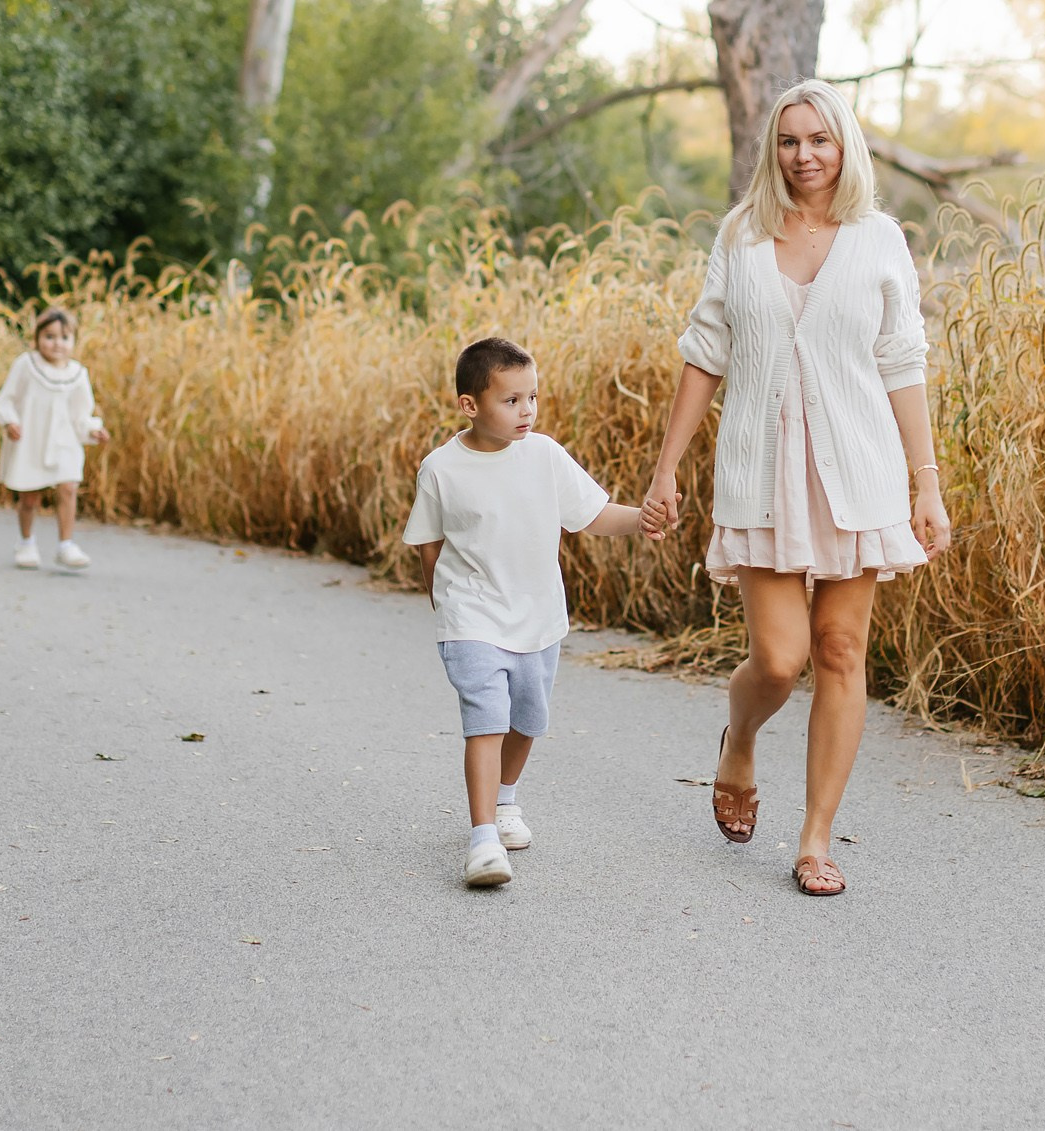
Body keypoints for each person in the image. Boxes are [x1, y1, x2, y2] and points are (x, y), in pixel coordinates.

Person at [640, 80, 952, 897]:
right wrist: (667, 466)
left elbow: (903, 362)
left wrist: (927, 482)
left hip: (860, 470)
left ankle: (814, 839)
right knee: (779, 660)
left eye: (819, 138)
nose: (804, 154)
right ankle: (738, 740)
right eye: (789, 141)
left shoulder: (879, 238)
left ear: (844, 145)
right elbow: (706, 350)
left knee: (842, 652)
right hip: (763, 467)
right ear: (771, 150)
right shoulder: (742, 234)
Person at [403, 336, 645, 889]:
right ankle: (483, 839)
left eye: (532, 397)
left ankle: (506, 800)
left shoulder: (545, 455)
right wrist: (446, 606)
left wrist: (643, 519)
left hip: (537, 616)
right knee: (484, 718)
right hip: (472, 618)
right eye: (512, 400)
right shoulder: (441, 468)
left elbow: (592, 514)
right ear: (470, 405)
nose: (527, 410)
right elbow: (427, 542)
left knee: (528, 718)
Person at [0, 308, 107, 571]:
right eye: (49, 337)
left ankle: (66, 545)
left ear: (73, 341)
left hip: (64, 440)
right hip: (31, 439)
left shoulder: (77, 373)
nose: (57, 343)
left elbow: (80, 413)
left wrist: (92, 429)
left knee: (69, 487)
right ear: (37, 337)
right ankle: (26, 542)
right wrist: (10, 421)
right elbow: (6, 399)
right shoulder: (26, 365)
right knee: (30, 497)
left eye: (64, 337)